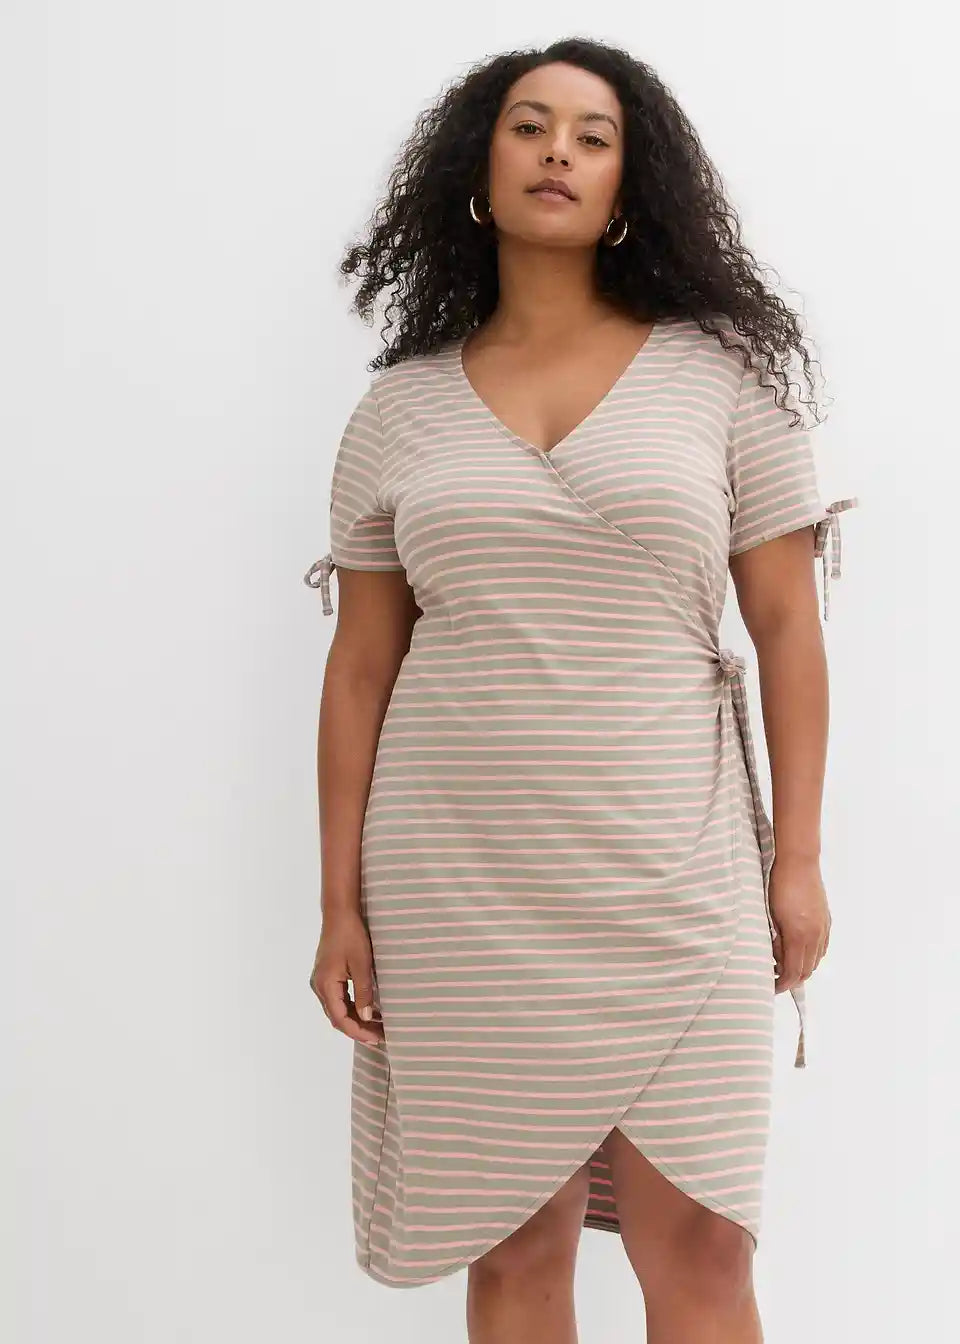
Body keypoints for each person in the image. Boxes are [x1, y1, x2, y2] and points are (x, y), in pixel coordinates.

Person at [304, 35, 857, 1344]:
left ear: (628, 184)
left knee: (704, 1246)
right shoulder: (397, 413)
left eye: (593, 136)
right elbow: (361, 667)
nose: (558, 151)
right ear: (475, 170)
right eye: (529, 125)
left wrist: (798, 861)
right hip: (460, 876)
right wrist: (338, 905)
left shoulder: (722, 380)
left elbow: (788, 626)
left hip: (678, 863)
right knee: (512, 1246)